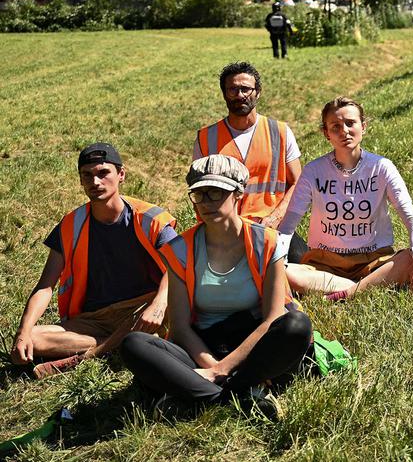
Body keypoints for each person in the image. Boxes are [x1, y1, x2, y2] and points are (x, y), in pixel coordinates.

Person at [120, 155, 312, 417]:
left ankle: (195, 395)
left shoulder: (267, 242)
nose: (206, 203)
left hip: (255, 344)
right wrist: (211, 364)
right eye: (199, 194)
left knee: (297, 325)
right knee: (134, 344)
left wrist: (221, 369)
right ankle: (241, 394)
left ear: (238, 194)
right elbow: (179, 326)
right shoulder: (179, 249)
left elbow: (273, 317)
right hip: (203, 346)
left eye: (216, 193)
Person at [11, 143, 177, 378]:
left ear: (121, 175)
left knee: (176, 299)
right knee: (34, 338)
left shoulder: (150, 218)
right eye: (86, 175)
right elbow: (45, 286)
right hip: (95, 320)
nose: (95, 182)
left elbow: (180, 264)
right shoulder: (71, 224)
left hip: (145, 309)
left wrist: (159, 304)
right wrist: (23, 332)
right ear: (80, 181)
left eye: (103, 173)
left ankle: (86, 356)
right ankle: (112, 345)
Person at [280, 97, 413, 300]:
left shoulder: (382, 167)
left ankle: (343, 294)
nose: (344, 131)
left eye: (351, 123)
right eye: (335, 126)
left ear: (363, 126)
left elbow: (411, 218)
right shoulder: (313, 171)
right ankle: (361, 289)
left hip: (373, 261)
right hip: (325, 264)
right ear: (326, 134)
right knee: (285, 272)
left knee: (410, 258)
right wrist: (276, 261)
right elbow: (288, 226)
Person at [194, 62, 303, 248]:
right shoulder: (206, 137)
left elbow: (298, 183)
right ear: (224, 94)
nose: (240, 95)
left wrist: (274, 218)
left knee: (304, 265)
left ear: (258, 92)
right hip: (223, 230)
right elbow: (199, 191)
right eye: (232, 90)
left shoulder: (280, 132)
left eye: (246, 89)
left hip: (272, 227)